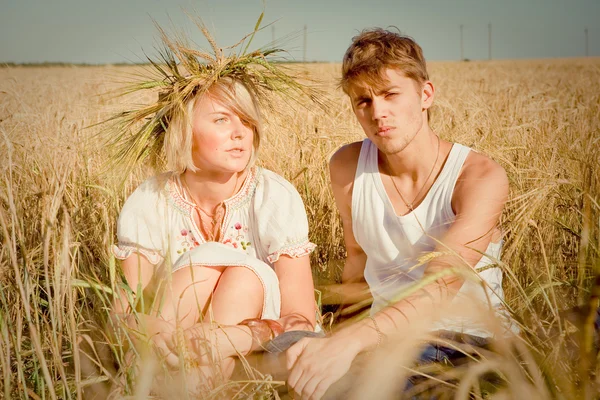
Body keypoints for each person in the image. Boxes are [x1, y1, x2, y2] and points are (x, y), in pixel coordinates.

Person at [286, 28, 514, 399]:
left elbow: (440, 286)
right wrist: (337, 338)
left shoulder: (478, 177)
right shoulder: (347, 166)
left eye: (391, 94)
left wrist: (348, 345)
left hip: (469, 343)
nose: (378, 112)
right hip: (380, 339)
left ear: (425, 95)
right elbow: (357, 262)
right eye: (363, 101)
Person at [107, 24, 322, 384]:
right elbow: (123, 314)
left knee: (243, 276)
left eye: (247, 121)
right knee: (201, 272)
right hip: (169, 343)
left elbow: (300, 318)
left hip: (258, 350)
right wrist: (169, 336)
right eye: (222, 120)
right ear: (183, 130)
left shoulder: (273, 196)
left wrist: (235, 337)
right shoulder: (150, 200)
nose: (241, 132)